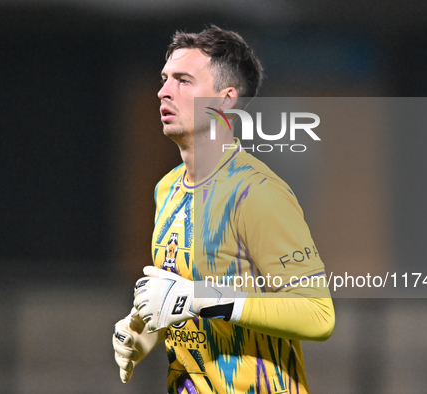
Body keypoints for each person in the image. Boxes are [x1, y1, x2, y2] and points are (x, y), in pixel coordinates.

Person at [113, 25, 335, 394]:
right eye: (165, 79)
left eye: (184, 81)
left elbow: (318, 314)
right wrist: (144, 335)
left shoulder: (258, 193)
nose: (163, 91)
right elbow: (183, 300)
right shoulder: (166, 189)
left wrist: (201, 299)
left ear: (225, 99)